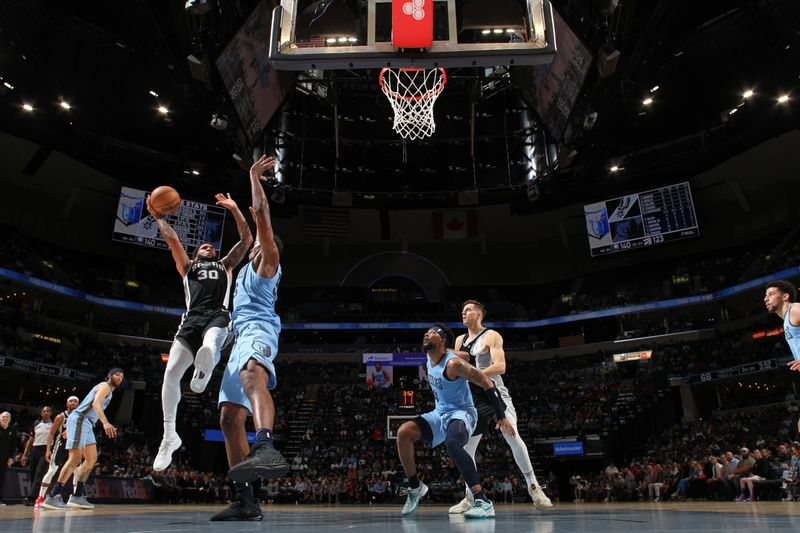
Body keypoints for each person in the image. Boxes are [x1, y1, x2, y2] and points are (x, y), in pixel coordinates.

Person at [148, 191, 253, 472]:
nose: (209, 248)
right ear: (196, 254)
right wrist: (159, 218)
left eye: (211, 247)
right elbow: (173, 239)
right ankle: (169, 435)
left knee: (211, 342)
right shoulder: (187, 266)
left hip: (217, 315)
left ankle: (205, 364)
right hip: (191, 319)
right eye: (204, 247)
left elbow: (246, 241)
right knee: (170, 374)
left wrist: (234, 208)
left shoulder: (225, 265)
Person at [210, 155, 289, 521]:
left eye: (261, 238)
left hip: (259, 330)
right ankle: (246, 500)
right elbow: (247, 231)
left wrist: (254, 177)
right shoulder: (242, 270)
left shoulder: (267, 260)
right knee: (228, 417)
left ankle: (267, 446)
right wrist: (231, 210)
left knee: (252, 375)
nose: (257, 241)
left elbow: (260, 213)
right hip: (237, 336)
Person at [396, 323, 515, 518]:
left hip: (463, 412)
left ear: (441, 341)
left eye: (432, 333)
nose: (426, 335)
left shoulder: (454, 365)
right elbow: (467, 355)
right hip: (440, 412)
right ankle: (415, 487)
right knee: (403, 432)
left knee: (452, 443)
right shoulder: (430, 355)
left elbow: (487, 382)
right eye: (426, 333)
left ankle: (482, 501)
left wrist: (501, 415)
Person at [449, 300, 552, 514]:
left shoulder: (491, 336)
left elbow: (501, 366)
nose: (463, 313)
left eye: (468, 310)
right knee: (467, 448)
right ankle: (470, 497)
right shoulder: (459, 340)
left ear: (480, 314)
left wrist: (474, 376)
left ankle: (534, 487)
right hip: (472, 399)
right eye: (462, 310)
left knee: (512, 437)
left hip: (494, 393)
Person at [42, 368, 124, 510]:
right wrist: (105, 422)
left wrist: (70, 427)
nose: (120, 377)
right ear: (109, 376)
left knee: (91, 459)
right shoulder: (104, 386)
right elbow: (95, 404)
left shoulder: (109, 392)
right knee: (75, 458)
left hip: (86, 423)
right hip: (81, 420)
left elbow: (87, 405)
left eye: (122, 376)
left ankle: (77, 496)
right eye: (117, 374)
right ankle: (53, 496)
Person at [765, 280, 800, 435]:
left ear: (785, 296)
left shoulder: (795, 309)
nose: (766, 299)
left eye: (771, 294)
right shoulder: (786, 320)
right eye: (765, 296)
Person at [34, 396, 80, 507]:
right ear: (67, 404)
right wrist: (48, 450)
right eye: (71, 401)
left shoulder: (80, 418)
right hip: (60, 447)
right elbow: (51, 434)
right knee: (52, 470)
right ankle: (40, 498)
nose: (73, 403)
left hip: (74, 447)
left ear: (78, 405)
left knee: (77, 471)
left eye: (75, 401)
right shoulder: (61, 417)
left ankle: (75, 498)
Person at [21, 406, 53, 506]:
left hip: (46, 450)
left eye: (48, 411)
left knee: (39, 474)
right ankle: (36, 496)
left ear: (51, 413)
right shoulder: (36, 424)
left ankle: (31, 498)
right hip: (35, 449)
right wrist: (25, 455)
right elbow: (30, 441)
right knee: (33, 473)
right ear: (41, 413)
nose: (46, 413)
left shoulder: (53, 425)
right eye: (44, 411)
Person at [0, 411, 18, 506]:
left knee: (1, 479)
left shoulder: (12, 430)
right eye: (3, 417)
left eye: (7, 417)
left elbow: (13, 445)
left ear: (10, 419)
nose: (5, 418)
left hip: (4, 459)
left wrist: (11, 457)